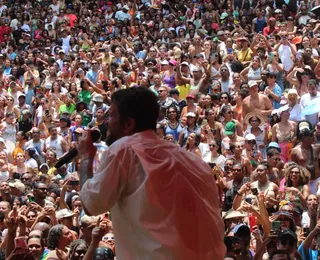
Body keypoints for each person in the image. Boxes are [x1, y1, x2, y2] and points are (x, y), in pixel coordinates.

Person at [78, 88, 226, 259]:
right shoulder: (194, 162)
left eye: (110, 116)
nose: (105, 122)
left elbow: (92, 204)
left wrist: (86, 158)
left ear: (128, 124)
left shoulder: (124, 149)